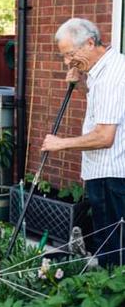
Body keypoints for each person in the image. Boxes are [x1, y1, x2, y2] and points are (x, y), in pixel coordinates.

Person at [41, 18, 125, 267]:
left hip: (113, 176)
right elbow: (100, 105)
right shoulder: (101, 70)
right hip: (102, 172)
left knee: (115, 249)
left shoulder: (112, 76)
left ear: (90, 43)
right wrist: (80, 85)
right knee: (106, 241)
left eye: (70, 54)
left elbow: (104, 137)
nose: (67, 62)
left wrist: (61, 143)